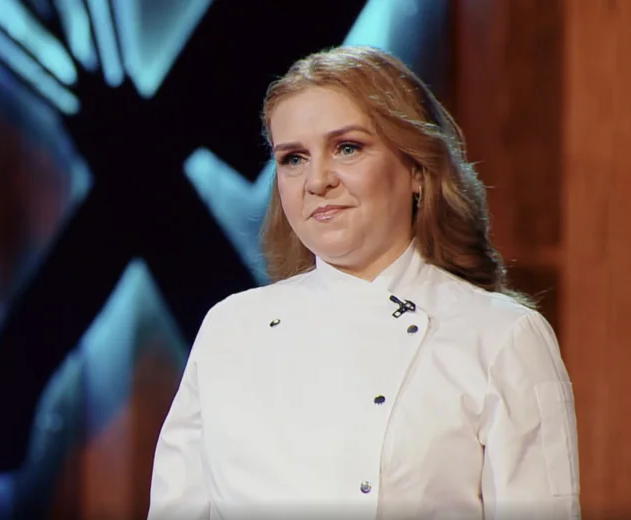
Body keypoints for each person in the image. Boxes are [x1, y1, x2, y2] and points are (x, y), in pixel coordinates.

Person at [147, 46, 580, 520]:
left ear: (417, 169)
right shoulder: (230, 327)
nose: (317, 181)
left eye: (347, 148)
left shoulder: (501, 337)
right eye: (293, 158)